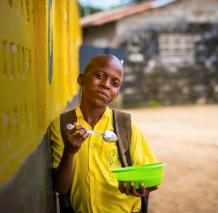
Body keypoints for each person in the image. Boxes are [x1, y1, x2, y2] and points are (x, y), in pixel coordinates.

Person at [51, 54, 158, 213]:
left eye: (115, 83)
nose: (106, 85)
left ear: (117, 94)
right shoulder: (62, 125)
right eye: (99, 76)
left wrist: (143, 188)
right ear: (81, 79)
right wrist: (69, 151)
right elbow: (60, 187)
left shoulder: (125, 125)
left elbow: (150, 177)